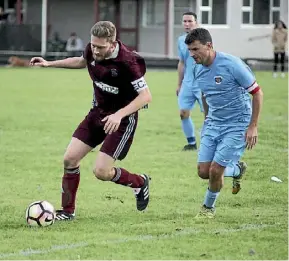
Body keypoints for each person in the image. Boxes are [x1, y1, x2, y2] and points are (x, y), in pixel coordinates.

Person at [30, 21, 152, 221]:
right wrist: (49, 63)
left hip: (121, 120)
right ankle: (67, 212)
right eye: (93, 45)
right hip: (97, 114)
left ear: (112, 44)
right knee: (70, 159)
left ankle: (139, 182)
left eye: (100, 47)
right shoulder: (92, 50)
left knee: (101, 171)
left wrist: (119, 114)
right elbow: (81, 61)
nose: (94, 50)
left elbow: (146, 96)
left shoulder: (128, 62)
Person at [185, 28, 263, 218]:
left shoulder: (232, 64)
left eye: (195, 49)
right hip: (214, 122)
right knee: (203, 171)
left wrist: (253, 126)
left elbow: (257, 93)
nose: (192, 54)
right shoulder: (196, 67)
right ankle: (236, 169)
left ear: (209, 46)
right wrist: (206, 119)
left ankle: (208, 208)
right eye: (190, 50)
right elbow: (205, 93)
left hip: (238, 123)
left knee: (215, 169)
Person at [176, 12, 203, 151]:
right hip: (187, 83)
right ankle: (191, 143)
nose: (187, 24)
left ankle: (208, 142)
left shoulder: (204, 38)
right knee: (183, 113)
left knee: (209, 114)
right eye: (184, 21)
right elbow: (182, 62)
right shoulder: (181, 40)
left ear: (196, 22)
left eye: (190, 21)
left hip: (203, 83)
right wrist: (179, 84)